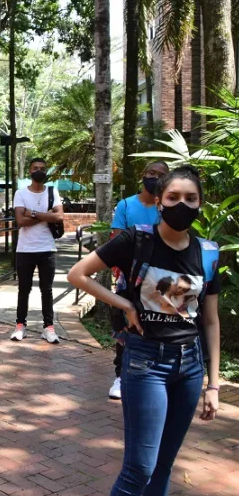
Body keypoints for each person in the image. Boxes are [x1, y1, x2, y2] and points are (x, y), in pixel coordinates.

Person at [67, 166, 221, 496]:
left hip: (190, 366)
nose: (182, 204)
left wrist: (213, 385)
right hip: (146, 362)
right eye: (173, 197)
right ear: (159, 202)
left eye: (191, 198)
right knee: (140, 468)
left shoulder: (208, 252)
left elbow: (210, 320)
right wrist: (125, 303)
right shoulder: (137, 239)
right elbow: (78, 274)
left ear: (200, 203)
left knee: (163, 466)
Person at [107, 160, 170, 400]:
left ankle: (154, 375)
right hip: (129, 275)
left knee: (156, 324)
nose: (154, 177)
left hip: (160, 277)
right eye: (151, 173)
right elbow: (117, 240)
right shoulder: (126, 205)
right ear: (143, 175)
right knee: (125, 324)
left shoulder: (167, 207)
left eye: (161, 174)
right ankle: (120, 375)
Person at [10, 157, 65, 344]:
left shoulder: (52, 191)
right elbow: (20, 221)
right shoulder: (20, 193)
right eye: (35, 168)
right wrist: (47, 215)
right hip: (25, 249)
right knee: (23, 289)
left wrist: (32, 213)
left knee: (46, 290)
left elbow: (59, 216)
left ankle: (48, 328)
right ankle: (20, 325)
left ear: (46, 171)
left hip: (47, 248)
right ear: (29, 171)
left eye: (42, 168)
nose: (39, 171)